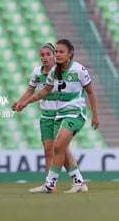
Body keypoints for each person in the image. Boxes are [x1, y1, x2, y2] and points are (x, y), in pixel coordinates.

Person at [15, 39, 99, 193]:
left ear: (70, 53)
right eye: (57, 52)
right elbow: (44, 91)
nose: (57, 55)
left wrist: (95, 116)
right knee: (58, 148)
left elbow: (91, 92)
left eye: (60, 52)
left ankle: (50, 184)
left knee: (58, 147)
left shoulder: (79, 69)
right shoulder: (54, 72)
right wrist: (25, 102)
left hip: (75, 114)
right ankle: (78, 182)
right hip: (60, 114)